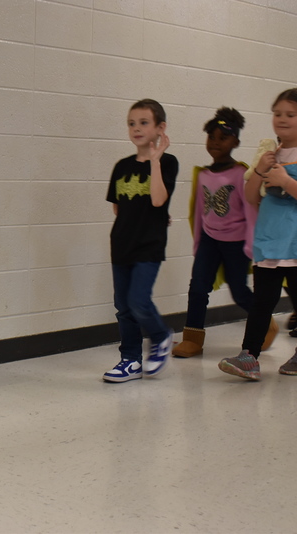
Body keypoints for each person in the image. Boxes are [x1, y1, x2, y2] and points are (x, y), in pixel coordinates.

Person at [218, 88, 297, 380]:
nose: (282, 119)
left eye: (290, 114)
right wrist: (259, 171)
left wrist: (284, 180)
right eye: (277, 113)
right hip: (271, 239)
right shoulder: (270, 154)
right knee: (262, 300)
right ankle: (249, 356)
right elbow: (251, 196)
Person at [173, 107, 278, 358]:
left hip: (236, 242)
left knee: (239, 290)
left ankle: (265, 323)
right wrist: (198, 243)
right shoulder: (204, 175)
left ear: (236, 142)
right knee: (198, 287)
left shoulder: (241, 174)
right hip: (209, 240)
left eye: (223, 137)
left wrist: (251, 245)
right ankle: (193, 339)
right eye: (212, 137)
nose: (216, 142)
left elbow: (251, 210)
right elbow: (199, 213)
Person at [103, 98, 178, 383]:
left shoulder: (168, 163)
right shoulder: (122, 166)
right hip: (121, 244)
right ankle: (130, 360)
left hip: (149, 246)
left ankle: (160, 336)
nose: (136, 128)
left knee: (138, 300)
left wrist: (155, 160)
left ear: (161, 128)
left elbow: (158, 200)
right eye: (132, 123)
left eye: (144, 122)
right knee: (123, 307)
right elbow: (117, 207)